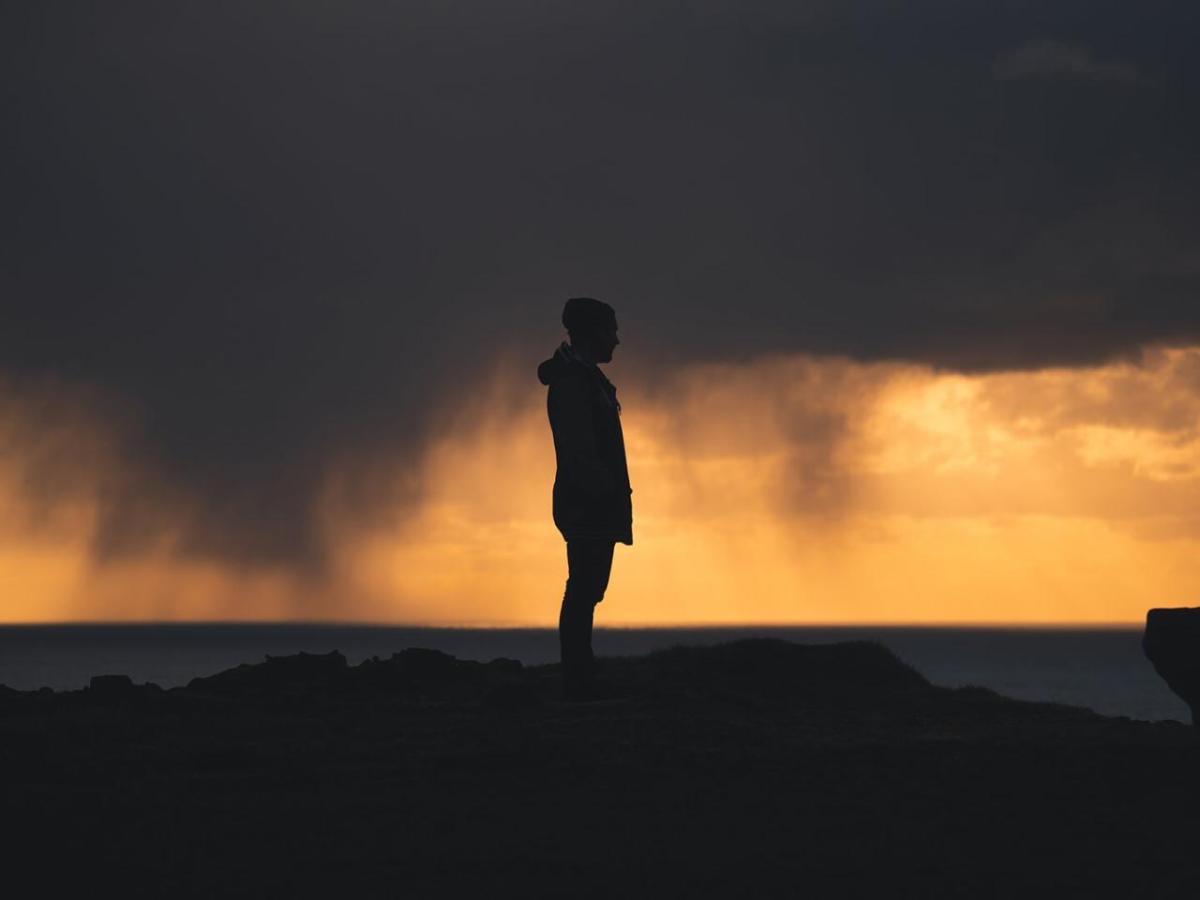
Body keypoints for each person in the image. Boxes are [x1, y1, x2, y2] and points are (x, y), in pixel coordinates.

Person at [536, 298, 632, 700]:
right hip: (586, 502)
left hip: (591, 501)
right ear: (593, 333)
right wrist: (603, 489)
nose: (617, 340)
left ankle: (580, 669)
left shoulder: (585, 378)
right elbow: (580, 450)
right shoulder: (576, 383)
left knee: (587, 588)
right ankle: (578, 675)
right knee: (583, 588)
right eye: (610, 331)